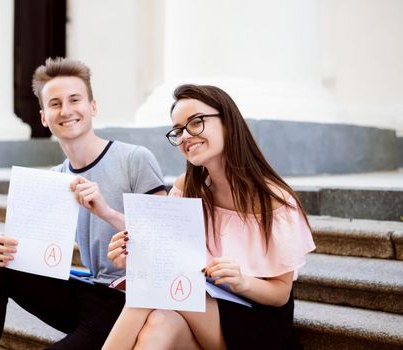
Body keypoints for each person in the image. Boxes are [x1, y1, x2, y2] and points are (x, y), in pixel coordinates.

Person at [0, 57, 166, 350]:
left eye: (75, 100)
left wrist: (106, 212)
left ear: (92, 107)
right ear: (44, 117)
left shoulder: (134, 159)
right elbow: (34, 253)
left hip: (133, 302)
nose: (66, 110)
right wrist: (4, 248)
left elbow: (165, 242)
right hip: (92, 294)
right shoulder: (55, 179)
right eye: (55, 104)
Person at [104, 84, 316, 350]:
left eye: (196, 122)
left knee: (150, 292)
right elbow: (169, 262)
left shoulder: (274, 200)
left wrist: (242, 282)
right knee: (159, 324)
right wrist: (133, 255)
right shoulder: (187, 189)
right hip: (204, 309)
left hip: (258, 322)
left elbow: (280, 294)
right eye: (178, 130)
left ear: (227, 122)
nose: (184, 136)